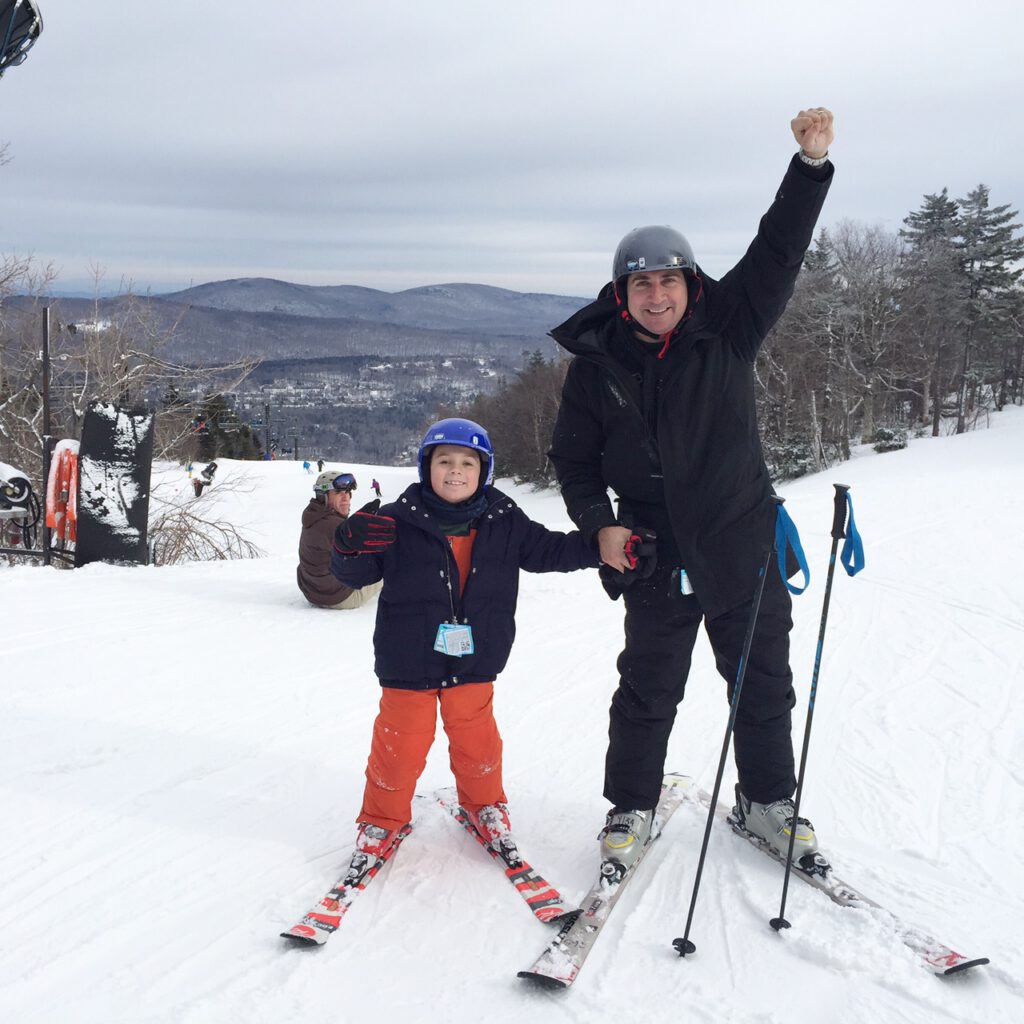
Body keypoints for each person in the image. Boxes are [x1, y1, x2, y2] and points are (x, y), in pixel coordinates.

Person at [547, 108, 835, 871]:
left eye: (668, 280)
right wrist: (597, 524)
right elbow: (572, 461)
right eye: (641, 283)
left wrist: (808, 168)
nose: (656, 295)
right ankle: (630, 809)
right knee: (647, 687)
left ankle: (768, 803)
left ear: (689, 283)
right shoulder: (594, 369)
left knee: (761, 683)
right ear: (621, 294)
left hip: (742, 538)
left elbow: (778, 252)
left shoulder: (729, 328)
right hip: (651, 547)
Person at [329, 417, 599, 864]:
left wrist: (605, 547)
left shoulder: (504, 519)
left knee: (478, 743)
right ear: (426, 467)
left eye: (467, 463)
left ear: (484, 470)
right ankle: (382, 819)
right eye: (444, 461)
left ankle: (484, 807)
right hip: (408, 658)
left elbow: (553, 550)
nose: (455, 471)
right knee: (400, 744)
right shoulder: (397, 520)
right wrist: (347, 546)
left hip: (475, 655)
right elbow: (353, 575)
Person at [297, 471, 383, 609]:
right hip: (338, 598)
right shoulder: (334, 525)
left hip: (312, 591)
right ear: (323, 496)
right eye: (338, 493)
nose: (346, 498)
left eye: (348, 492)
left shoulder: (313, 515)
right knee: (386, 563)